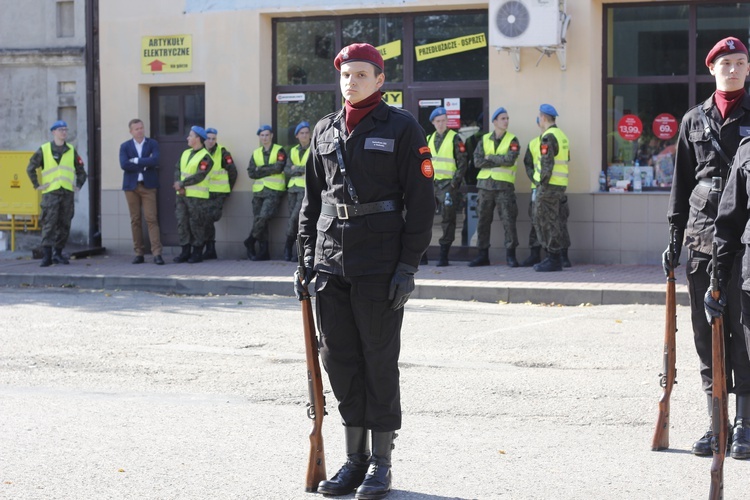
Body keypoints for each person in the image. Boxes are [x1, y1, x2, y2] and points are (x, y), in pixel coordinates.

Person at [295, 42, 434, 499]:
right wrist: (305, 257)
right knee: (338, 360)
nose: (350, 82)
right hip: (330, 261)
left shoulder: (402, 129)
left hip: (379, 263)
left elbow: (422, 204)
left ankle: (381, 462)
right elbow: (311, 201)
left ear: (379, 80)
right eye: (345, 75)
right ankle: (353, 459)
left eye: (360, 75)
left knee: (378, 361)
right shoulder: (325, 130)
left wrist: (408, 266)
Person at [667, 36, 750, 458]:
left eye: (740, 62)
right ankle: (715, 421)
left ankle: (745, 426)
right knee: (706, 333)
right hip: (701, 243)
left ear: (748, 69)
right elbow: (681, 185)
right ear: (712, 69)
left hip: (746, 246)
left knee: (745, 334)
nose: (732, 69)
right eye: (725, 63)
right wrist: (673, 238)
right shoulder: (692, 120)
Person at [26, 120, 87, 267]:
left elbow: (81, 171)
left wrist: (78, 185)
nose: (64, 132)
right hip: (51, 194)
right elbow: (30, 168)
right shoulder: (45, 149)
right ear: (53, 132)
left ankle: (58, 254)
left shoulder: (71, 150)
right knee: (49, 224)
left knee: (64, 224)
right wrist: (37, 185)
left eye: (65, 130)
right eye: (60, 130)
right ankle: (46, 256)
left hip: (66, 193)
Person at [469, 107, 520, 267]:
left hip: (504, 187)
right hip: (485, 187)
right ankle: (482, 255)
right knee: (483, 221)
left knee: (508, 221)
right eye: (503, 118)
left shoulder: (512, 140)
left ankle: (511, 256)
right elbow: (477, 161)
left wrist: (490, 157)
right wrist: (499, 159)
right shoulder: (484, 139)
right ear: (495, 122)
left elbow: (510, 160)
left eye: (507, 118)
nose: (506, 121)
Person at [118, 118, 164, 265]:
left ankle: (157, 253)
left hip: (148, 186)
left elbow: (155, 160)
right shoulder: (125, 146)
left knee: (151, 219)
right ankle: (139, 253)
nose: (140, 131)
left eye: (142, 128)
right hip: (131, 187)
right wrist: (145, 163)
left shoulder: (152, 144)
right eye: (137, 129)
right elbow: (124, 165)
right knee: (135, 220)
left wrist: (136, 161)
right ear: (131, 131)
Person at [426, 107, 468, 266]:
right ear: (433, 123)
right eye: (438, 121)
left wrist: (453, 184)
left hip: (448, 186)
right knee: (425, 220)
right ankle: (423, 253)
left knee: (447, 219)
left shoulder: (455, 138)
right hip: (431, 185)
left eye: (444, 120)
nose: (441, 124)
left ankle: (444, 254)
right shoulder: (429, 138)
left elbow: (462, 163)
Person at [532, 104, 570, 272]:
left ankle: (552, 258)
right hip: (559, 185)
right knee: (554, 220)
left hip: (549, 186)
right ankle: (556, 257)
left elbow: (547, 164)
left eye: (540, 117)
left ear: (544, 118)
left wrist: (542, 183)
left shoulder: (548, 137)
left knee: (547, 221)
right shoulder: (562, 136)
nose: (539, 119)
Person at [244, 125, 287, 261]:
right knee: (260, 221)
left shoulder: (279, 150)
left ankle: (250, 240)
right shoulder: (256, 153)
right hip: (258, 192)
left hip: (274, 190)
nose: (264, 138)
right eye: (262, 135)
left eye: (267, 135)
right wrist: (269, 168)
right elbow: (251, 172)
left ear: (271, 136)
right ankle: (264, 252)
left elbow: (279, 167)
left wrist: (260, 169)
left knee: (263, 217)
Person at [172, 126, 214, 264]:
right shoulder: (185, 153)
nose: (187, 138)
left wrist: (182, 184)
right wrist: (179, 183)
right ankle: (185, 252)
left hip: (197, 197)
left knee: (196, 224)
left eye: (190, 136)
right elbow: (177, 168)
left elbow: (199, 176)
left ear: (198, 139)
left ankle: (197, 253)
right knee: (182, 223)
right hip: (182, 195)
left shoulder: (206, 157)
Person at [202, 127, 237, 260]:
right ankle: (210, 248)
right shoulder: (200, 152)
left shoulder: (223, 152)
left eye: (213, 139)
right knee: (205, 219)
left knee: (211, 217)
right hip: (204, 192)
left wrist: (228, 189)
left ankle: (210, 248)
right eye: (208, 138)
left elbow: (233, 172)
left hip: (219, 193)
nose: (211, 141)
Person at [283, 120, 311, 261]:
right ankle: (291, 249)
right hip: (292, 189)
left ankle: (291, 249)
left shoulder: (314, 148)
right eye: (302, 133)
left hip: (306, 190)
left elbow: (311, 169)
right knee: (293, 220)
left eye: (307, 132)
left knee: (297, 219)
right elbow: (287, 170)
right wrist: (298, 170)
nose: (305, 135)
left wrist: (297, 169)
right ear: (297, 136)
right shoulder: (293, 151)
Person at [521, 130, 543, 267]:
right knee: (535, 220)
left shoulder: (556, 139)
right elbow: (528, 163)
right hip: (536, 187)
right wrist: (534, 179)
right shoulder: (533, 143)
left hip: (553, 187)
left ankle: (559, 255)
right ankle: (535, 254)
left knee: (554, 221)